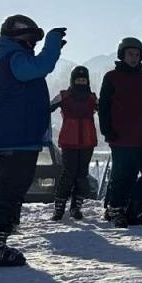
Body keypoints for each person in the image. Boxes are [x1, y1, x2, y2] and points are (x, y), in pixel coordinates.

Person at [0, 14, 66, 266]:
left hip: (15, 138)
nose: (33, 45)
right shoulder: (14, 58)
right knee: (8, 193)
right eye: (32, 39)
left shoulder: (9, 58)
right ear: (22, 38)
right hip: (15, 140)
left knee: (6, 193)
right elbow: (40, 67)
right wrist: (52, 43)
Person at [98, 37, 142, 228]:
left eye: (137, 54)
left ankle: (135, 208)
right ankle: (115, 209)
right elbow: (104, 105)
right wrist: (107, 129)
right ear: (122, 55)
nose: (134, 57)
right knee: (122, 176)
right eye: (130, 54)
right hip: (120, 136)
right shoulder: (111, 77)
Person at [50, 65, 98, 220]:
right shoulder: (64, 95)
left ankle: (76, 207)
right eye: (78, 79)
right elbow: (48, 107)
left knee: (82, 174)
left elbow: (105, 110)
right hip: (69, 140)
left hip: (87, 140)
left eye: (84, 80)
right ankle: (59, 208)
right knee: (69, 173)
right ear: (73, 80)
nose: (81, 82)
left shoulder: (92, 98)